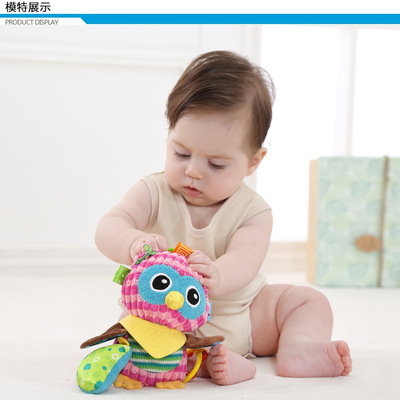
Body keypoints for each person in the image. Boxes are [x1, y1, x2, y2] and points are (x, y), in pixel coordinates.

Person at [95, 50, 352, 386]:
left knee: (308, 301)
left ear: (253, 162)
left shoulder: (253, 210)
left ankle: (298, 348)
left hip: (244, 313)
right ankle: (200, 360)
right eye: (181, 153)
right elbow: (109, 226)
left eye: (215, 164)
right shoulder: (153, 191)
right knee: (135, 332)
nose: (193, 171)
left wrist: (217, 274)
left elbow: (247, 256)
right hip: (168, 316)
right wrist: (132, 241)